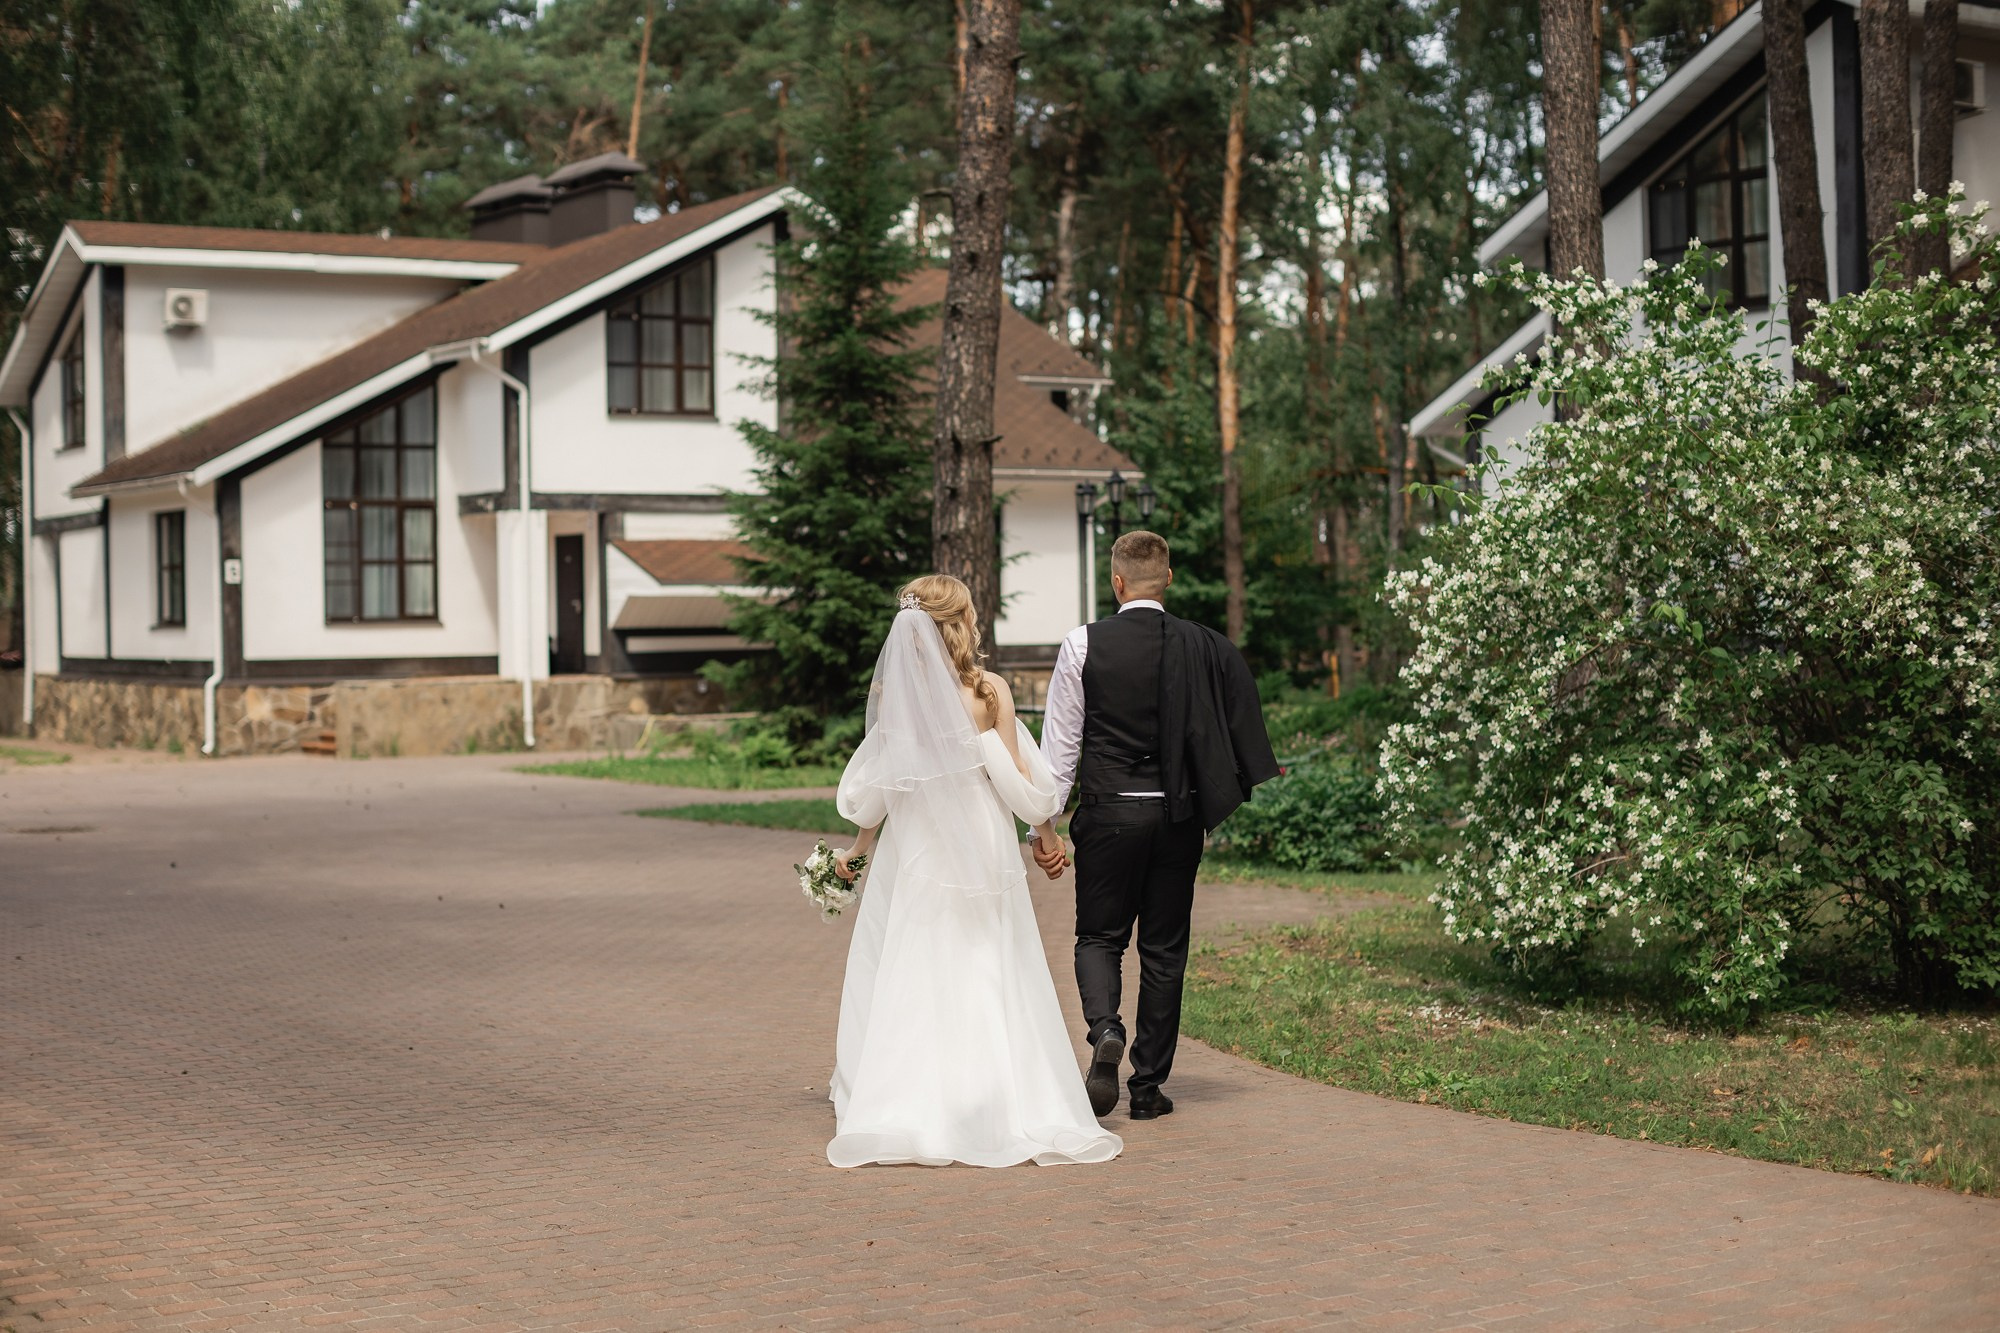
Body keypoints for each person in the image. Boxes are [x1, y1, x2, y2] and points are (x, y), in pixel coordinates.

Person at [823, 575, 1123, 1168]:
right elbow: (1014, 773)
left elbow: (883, 782)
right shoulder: (988, 690)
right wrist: (1044, 832)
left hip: (918, 843)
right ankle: (997, 1095)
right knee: (991, 958)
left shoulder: (899, 694)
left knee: (916, 958)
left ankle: (910, 1095)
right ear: (960, 621)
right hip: (982, 837)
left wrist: (857, 851)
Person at [1031, 531, 1279, 1120]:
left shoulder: (1082, 645)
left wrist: (1043, 827)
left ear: (1117, 583)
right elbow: (1235, 727)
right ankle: (1147, 1088)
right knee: (1165, 950)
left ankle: (1104, 1030)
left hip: (1109, 812)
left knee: (1099, 937)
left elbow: (1060, 749)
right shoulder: (1207, 646)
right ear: (1167, 579)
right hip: (1177, 816)